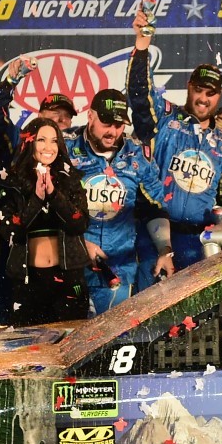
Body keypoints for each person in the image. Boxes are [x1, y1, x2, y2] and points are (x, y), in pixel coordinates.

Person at [127, 10, 222, 270]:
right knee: (151, 309)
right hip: (155, 235)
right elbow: (139, 92)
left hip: (200, 242)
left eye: (210, 93)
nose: (203, 98)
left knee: (200, 312)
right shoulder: (164, 118)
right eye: (198, 90)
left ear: (219, 95)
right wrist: (143, 42)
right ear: (188, 86)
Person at [68, 89, 175, 313]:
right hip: (71, 268)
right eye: (106, 123)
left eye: (119, 125)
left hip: (117, 270)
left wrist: (165, 250)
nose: (113, 131)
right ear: (90, 116)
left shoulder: (136, 155)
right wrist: (78, 245)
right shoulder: (65, 149)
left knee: (111, 342)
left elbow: (154, 207)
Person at [0, 118, 91, 325]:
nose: (49, 147)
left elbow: (80, 223)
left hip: (68, 281)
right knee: (30, 350)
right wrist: (36, 200)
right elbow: (11, 233)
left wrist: (54, 194)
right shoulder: (11, 183)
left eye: (54, 141)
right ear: (30, 143)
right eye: (41, 140)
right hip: (29, 282)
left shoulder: (71, 178)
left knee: (70, 346)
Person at [0, 56, 79, 172]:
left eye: (68, 116)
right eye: (56, 113)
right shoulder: (18, 140)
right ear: (40, 116)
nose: (62, 119)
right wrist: (10, 82)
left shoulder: (76, 151)